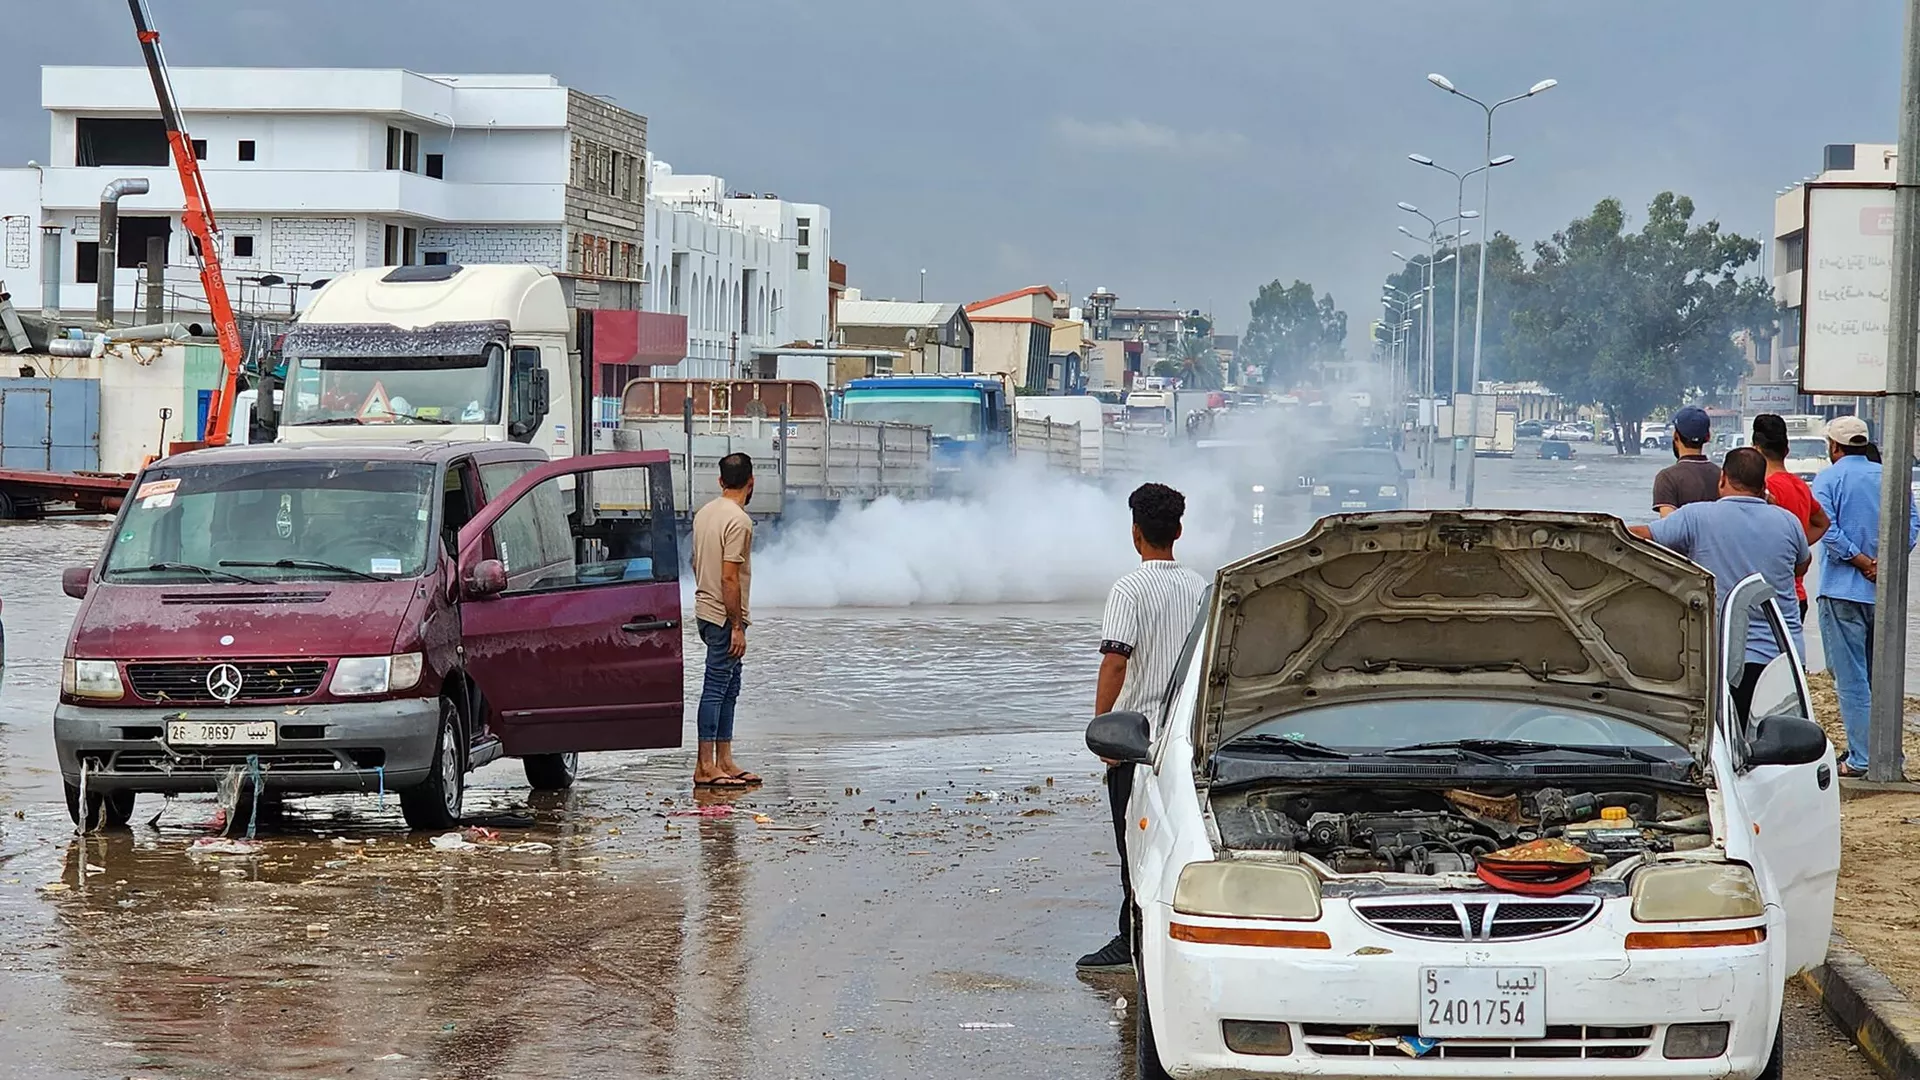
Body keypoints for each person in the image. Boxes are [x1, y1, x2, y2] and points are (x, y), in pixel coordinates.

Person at [1078, 483, 1209, 974]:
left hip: (1134, 741)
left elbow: (1115, 662)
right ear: (1178, 530)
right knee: (1178, 839)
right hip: (1187, 740)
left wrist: (1101, 727)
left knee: (1131, 844)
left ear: (1136, 535)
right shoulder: (1200, 589)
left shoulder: (1128, 590)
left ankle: (1129, 940)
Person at [1630, 448, 1809, 719]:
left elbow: (1641, 537)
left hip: (1722, 658)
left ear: (1722, 478)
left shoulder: (1696, 517)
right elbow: (1802, 565)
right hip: (1782, 658)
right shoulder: (1788, 522)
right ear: (1763, 485)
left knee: (1725, 740)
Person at [1811, 415, 1920, 777]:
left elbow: (1825, 528)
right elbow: (1912, 524)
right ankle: (1886, 755)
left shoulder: (1827, 479)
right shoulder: (1890, 477)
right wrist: (1882, 563)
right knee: (1881, 678)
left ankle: (1861, 757)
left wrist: (1859, 560)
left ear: (1834, 447)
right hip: (1883, 594)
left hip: (1842, 590)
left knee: (1852, 678)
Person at [690, 452, 761, 789]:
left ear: (720, 481)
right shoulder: (739, 521)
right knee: (717, 688)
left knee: (730, 687)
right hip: (723, 617)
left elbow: (694, 562)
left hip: (705, 611)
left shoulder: (704, 514)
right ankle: (706, 766)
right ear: (751, 482)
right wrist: (736, 626)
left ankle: (725, 761)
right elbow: (729, 578)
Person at [1752, 413, 1831, 621]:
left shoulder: (1762, 490)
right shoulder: (1800, 486)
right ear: (1786, 451)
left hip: (1767, 597)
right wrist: (1799, 546)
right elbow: (1823, 523)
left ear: (1755, 449)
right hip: (1797, 595)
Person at [1651, 406, 1720, 517]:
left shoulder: (1667, 478)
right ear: (1708, 437)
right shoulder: (1723, 476)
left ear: (1675, 436)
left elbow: (1668, 528)